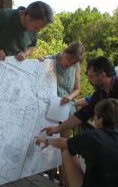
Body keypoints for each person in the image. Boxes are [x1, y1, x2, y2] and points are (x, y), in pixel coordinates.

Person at [41, 56, 118, 187]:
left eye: (91, 76)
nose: (89, 80)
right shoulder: (99, 95)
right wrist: (57, 129)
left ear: (103, 74)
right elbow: (82, 115)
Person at [0, 1, 53, 179]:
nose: (37, 30)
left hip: (14, 77)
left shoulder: (34, 29)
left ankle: (7, 166)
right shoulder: (3, 16)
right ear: (27, 15)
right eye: (36, 26)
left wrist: (26, 53)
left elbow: (32, 44)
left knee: (10, 119)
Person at [35, 98, 118, 187]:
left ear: (100, 119)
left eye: (95, 116)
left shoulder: (92, 137)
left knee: (67, 149)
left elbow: (62, 142)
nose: (94, 118)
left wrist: (46, 140)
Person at [39, 42, 85, 185]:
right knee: (47, 144)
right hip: (47, 110)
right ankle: (49, 178)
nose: (69, 64)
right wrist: (40, 60)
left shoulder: (75, 66)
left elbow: (77, 89)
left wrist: (70, 97)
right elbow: (39, 66)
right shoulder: (51, 59)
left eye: (73, 63)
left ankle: (64, 182)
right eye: (68, 60)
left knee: (65, 147)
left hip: (66, 111)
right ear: (64, 53)